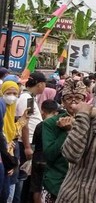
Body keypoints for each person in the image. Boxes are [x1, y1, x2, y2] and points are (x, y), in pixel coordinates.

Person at [42, 79, 88, 203]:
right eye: (69, 98)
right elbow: (49, 154)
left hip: (85, 185)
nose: (73, 102)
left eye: (78, 98)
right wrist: (66, 133)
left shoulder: (94, 122)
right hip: (57, 182)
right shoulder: (50, 123)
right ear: (62, 101)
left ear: (85, 100)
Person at [16, 72, 47, 202]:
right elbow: (25, 124)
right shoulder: (27, 99)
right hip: (26, 142)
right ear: (40, 84)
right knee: (23, 177)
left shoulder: (29, 97)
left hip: (27, 142)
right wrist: (28, 147)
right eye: (44, 84)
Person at [29, 99, 58, 203]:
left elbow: (34, 144)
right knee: (47, 189)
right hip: (50, 160)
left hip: (38, 158)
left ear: (43, 111)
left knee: (36, 188)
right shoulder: (58, 125)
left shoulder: (40, 125)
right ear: (56, 112)